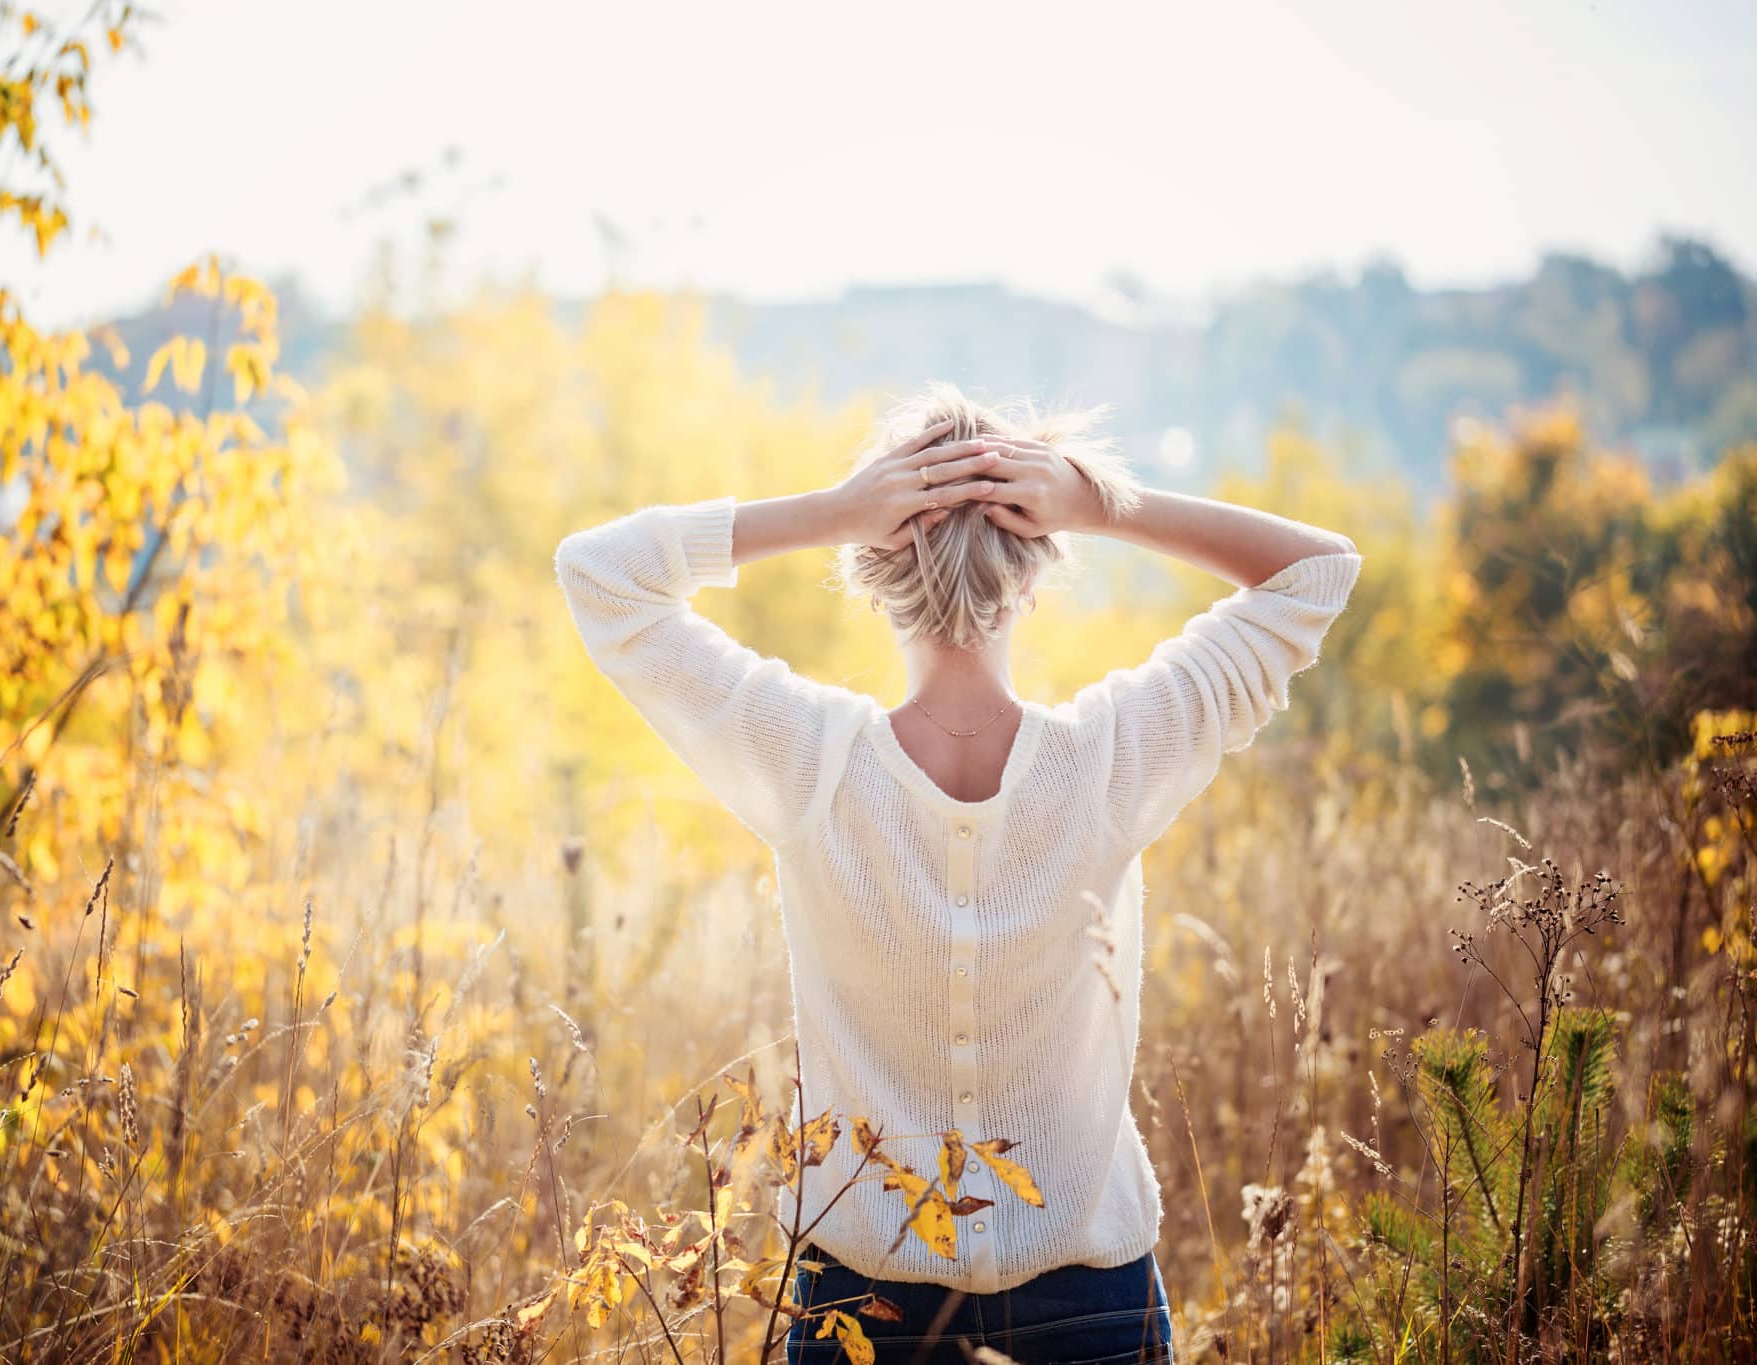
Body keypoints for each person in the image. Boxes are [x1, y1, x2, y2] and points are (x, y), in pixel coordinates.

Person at [553, 382, 1362, 1362]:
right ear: (1032, 575)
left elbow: (598, 574)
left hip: (861, 1308)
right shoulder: (1114, 757)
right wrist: (1097, 504)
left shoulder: (806, 760)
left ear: (869, 571)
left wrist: (830, 509)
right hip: (1087, 1303)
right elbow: (1315, 570)